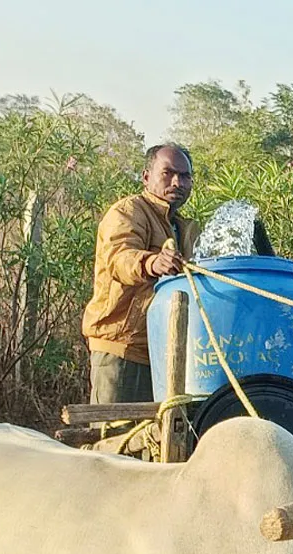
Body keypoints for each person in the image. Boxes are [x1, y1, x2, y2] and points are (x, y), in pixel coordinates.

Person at [82, 144, 199, 403]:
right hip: (122, 348)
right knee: (113, 439)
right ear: (146, 177)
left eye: (185, 176)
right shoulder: (128, 211)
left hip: (164, 355)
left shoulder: (185, 228)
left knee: (157, 440)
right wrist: (151, 263)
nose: (177, 182)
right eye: (167, 173)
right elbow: (118, 258)